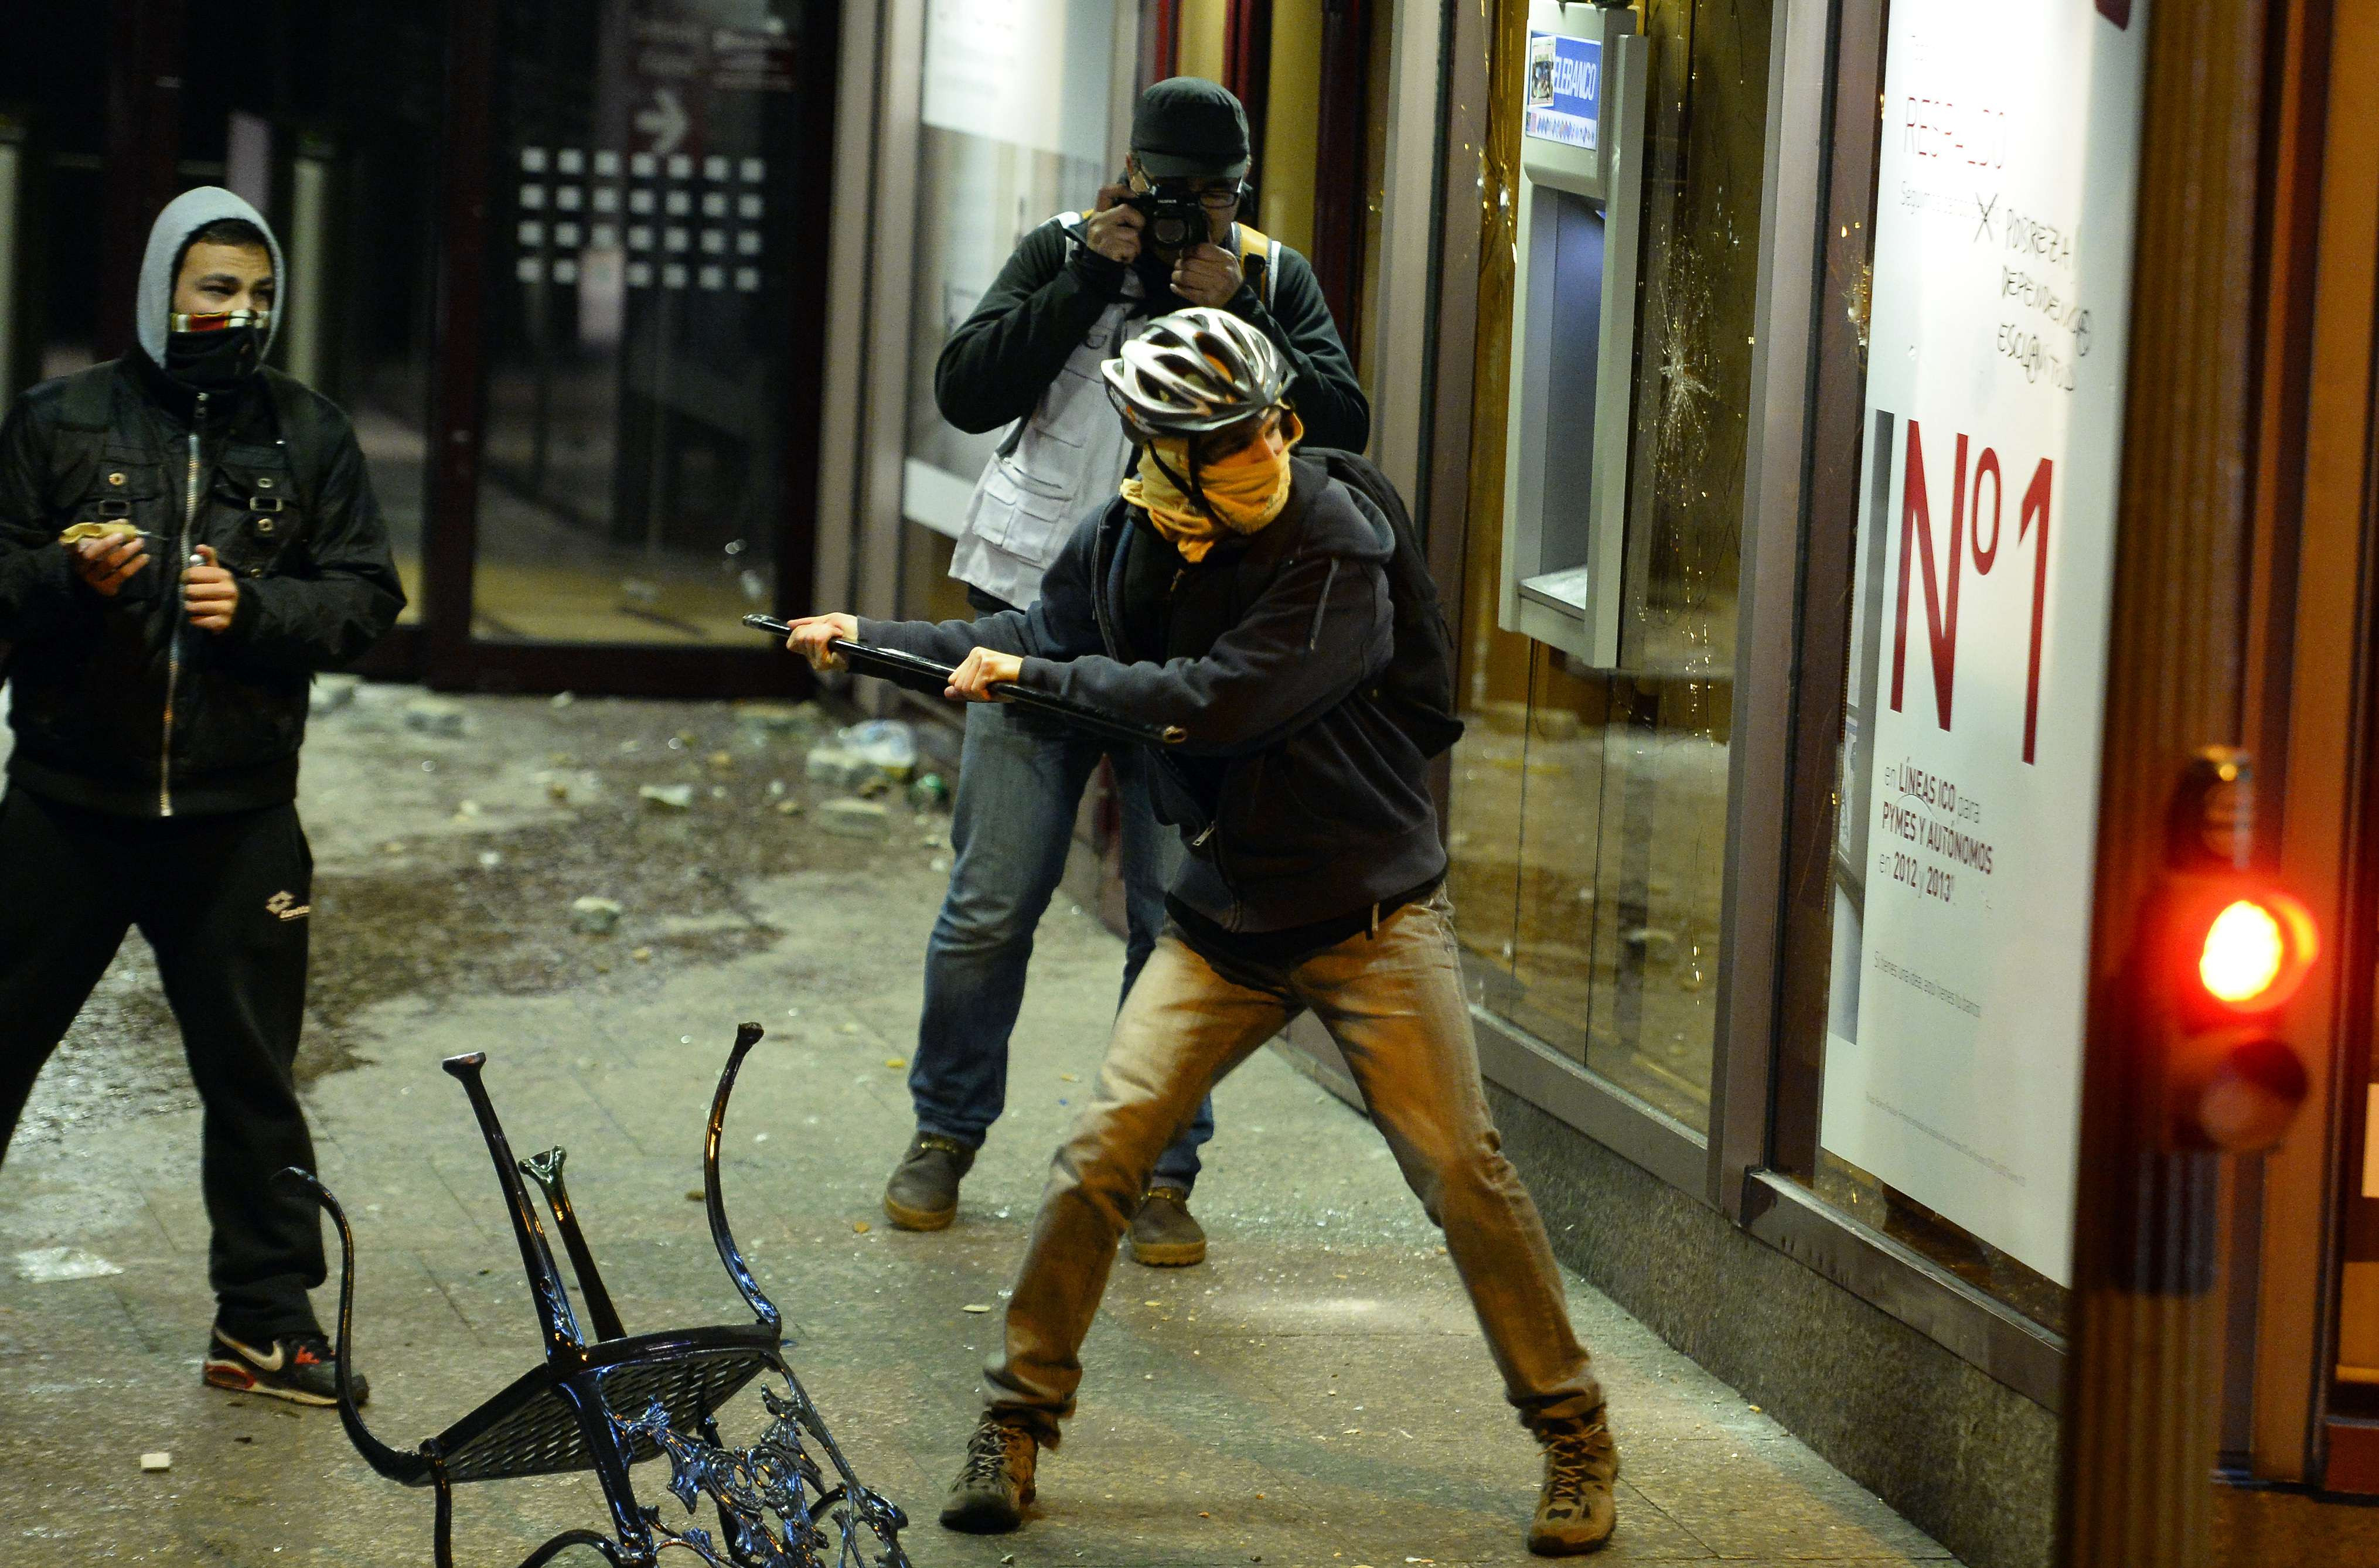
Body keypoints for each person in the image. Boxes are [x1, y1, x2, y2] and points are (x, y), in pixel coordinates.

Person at [785, 308, 1619, 1557]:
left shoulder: (1336, 539)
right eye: (1230, 440)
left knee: (1461, 1171)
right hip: (1225, 920)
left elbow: (1217, 705)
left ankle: (1573, 1433)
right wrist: (879, 642)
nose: (1266, 449)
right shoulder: (1125, 540)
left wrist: (1034, 680)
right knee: (1098, 1158)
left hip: (1368, 915)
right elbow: (1030, 641)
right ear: (1160, 454)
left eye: (1267, 424)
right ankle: (1014, 1423)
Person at [887, 74, 1369, 1266]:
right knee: (991, 902)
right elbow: (965, 391)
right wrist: (1083, 286)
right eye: (1172, 191)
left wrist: (1244, 316)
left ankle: (1158, 1169)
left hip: (1189, 658)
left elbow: (1344, 423)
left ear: (1239, 193)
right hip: (1036, 629)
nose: (1188, 216)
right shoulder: (1065, 251)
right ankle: (944, 1132)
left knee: (1176, 925)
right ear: (1132, 175)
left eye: (1216, 196)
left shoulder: (1269, 276)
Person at [0, 188, 405, 1406]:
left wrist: (260, 610)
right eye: (217, 289)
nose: (242, 313)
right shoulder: (58, 421)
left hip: (239, 818)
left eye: (261, 294)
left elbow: (367, 597)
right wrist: (65, 576)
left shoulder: (310, 433)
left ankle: (265, 1327)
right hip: (67, 804)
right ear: (160, 291)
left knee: (254, 1081)